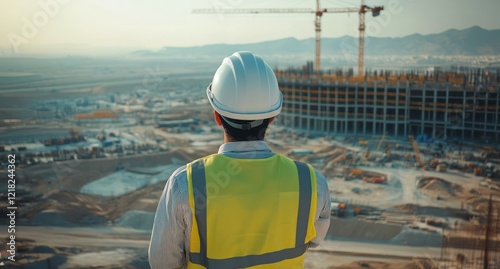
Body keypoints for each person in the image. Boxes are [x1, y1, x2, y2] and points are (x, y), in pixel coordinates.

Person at [149, 51, 331, 269]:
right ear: (272, 117)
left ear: (217, 116)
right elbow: (315, 239)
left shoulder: (186, 184)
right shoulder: (311, 182)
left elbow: (162, 263)